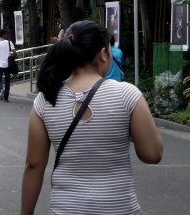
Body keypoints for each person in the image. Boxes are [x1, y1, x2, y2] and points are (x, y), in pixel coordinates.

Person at [20, 21, 162, 215]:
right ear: (103, 54)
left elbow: (34, 165)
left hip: (66, 209)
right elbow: (152, 155)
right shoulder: (127, 95)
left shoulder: (45, 99)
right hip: (119, 209)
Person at [0, 29, 16, 102]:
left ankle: (1, 89)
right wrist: (12, 57)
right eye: (6, 34)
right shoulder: (9, 42)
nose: (7, 35)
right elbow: (14, 52)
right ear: (4, 35)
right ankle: (6, 98)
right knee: (7, 81)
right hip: (7, 65)